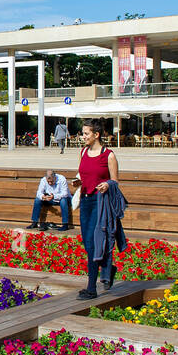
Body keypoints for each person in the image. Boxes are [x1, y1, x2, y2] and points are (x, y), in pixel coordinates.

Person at [75, 119, 120, 300]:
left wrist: (107, 185)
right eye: (83, 133)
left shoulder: (108, 155)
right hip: (85, 201)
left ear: (96, 135)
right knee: (87, 244)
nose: (83, 137)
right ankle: (108, 267)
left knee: (94, 244)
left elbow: (115, 181)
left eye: (86, 133)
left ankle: (91, 288)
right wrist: (77, 182)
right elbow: (81, 175)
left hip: (100, 203)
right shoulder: (83, 152)